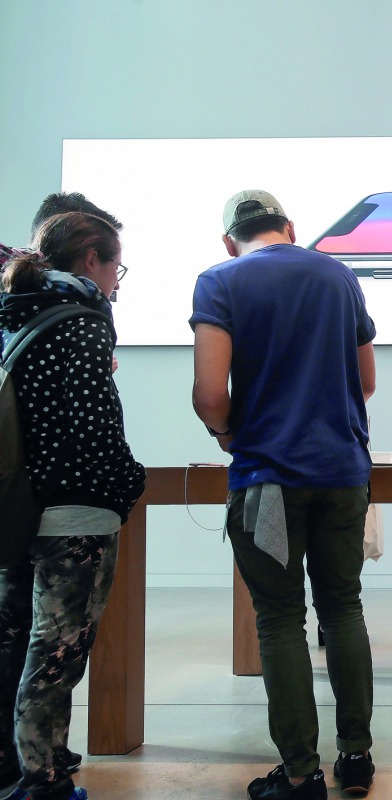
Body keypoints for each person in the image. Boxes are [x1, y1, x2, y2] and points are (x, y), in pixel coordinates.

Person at [191, 191, 377, 799]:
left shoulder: (219, 280)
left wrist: (228, 434)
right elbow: (367, 380)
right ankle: (356, 757)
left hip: (268, 480)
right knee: (342, 607)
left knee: (278, 619)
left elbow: (209, 393)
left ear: (229, 240)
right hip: (343, 475)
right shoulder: (339, 276)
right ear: (290, 228)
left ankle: (300, 774)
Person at [0, 211, 145, 800]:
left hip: (19, 508)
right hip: (75, 514)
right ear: (92, 260)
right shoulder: (82, 326)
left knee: (24, 641)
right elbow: (93, 429)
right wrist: (129, 481)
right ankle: (45, 781)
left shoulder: (17, 316)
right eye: (118, 267)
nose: (116, 281)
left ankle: (32, 761)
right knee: (58, 651)